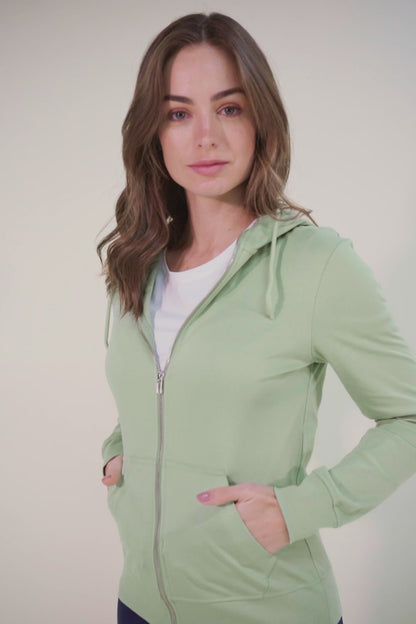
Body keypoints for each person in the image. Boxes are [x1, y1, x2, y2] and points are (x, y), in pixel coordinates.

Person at [97, 12, 416, 624]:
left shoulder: (316, 264)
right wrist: (119, 454)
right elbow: (157, 390)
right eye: (178, 113)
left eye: (229, 108)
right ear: (152, 132)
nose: (206, 137)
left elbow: (407, 417)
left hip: (268, 608)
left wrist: (304, 508)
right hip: (140, 603)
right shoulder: (137, 263)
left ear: (261, 120)